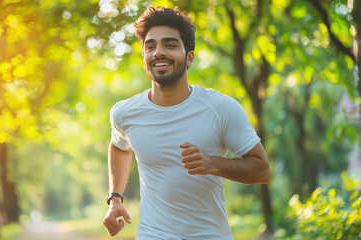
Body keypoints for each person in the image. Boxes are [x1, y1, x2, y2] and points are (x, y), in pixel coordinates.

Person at [102, 6, 271, 239]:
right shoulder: (124, 113)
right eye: (150, 47)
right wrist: (115, 198)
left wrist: (213, 164)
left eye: (170, 45)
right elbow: (119, 147)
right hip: (153, 234)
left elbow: (262, 170)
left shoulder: (221, 108)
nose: (158, 52)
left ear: (189, 57)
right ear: (144, 59)